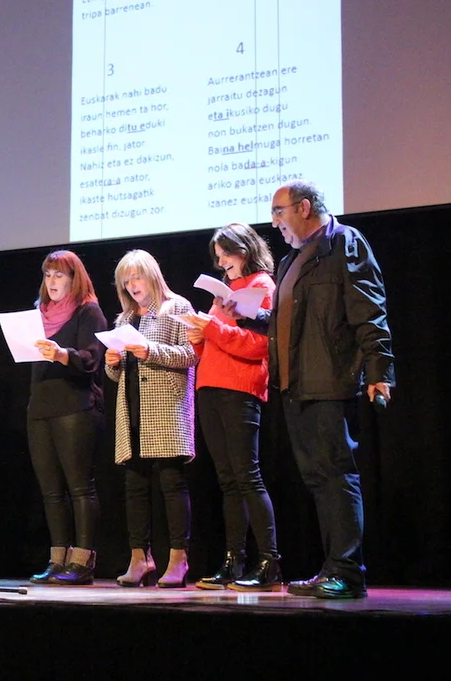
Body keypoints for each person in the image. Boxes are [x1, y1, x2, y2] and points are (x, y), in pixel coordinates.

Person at [240, 180, 394, 599]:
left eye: (279, 211)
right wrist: (250, 316)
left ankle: (348, 571)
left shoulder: (343, 243)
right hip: (297, 385)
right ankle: (332, 567)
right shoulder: (291, 259)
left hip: (329, 380)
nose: (274, 222)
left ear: (304, 208)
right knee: (319, 480)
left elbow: (369, 310)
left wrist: (379, 370)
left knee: (336, 476)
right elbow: (286, 322)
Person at [181, 224, 283, 592]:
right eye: (218, 256)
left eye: (227, 253)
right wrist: (198, 338)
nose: (222, 261)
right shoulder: (226, 291)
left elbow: (259, 346)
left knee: (246, 476)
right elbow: (214, 344)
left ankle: (269, 562)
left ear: (246, 249)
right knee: (227, 480)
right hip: (210, 385)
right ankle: (233, 560)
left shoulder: (262, 286)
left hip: (240, 388)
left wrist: (212, 330)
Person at [105, 250, 198, 588]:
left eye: (137, 277)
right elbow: (117, 376)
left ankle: (178, 558)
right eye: (126, 281)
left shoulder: (177, 307)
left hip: (165, 408)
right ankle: (139, 558)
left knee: (172, 483)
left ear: (152, 276)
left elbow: (191, 354)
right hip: (132, 408)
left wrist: (150, 350)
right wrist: (112, 363)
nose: (132, 285)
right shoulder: (124, 319)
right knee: (135, 487)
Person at [27, 250, 107, 585]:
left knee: (79, 487)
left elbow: (93, 358)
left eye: (59, 275)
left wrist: (63, 355)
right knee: (51, 491)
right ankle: (57, 559)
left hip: (76, 406)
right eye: (48, 275)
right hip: (40, 407)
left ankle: (83, 561)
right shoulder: (37, 314)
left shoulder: (88, 311)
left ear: (74, 279)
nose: (52, 281)